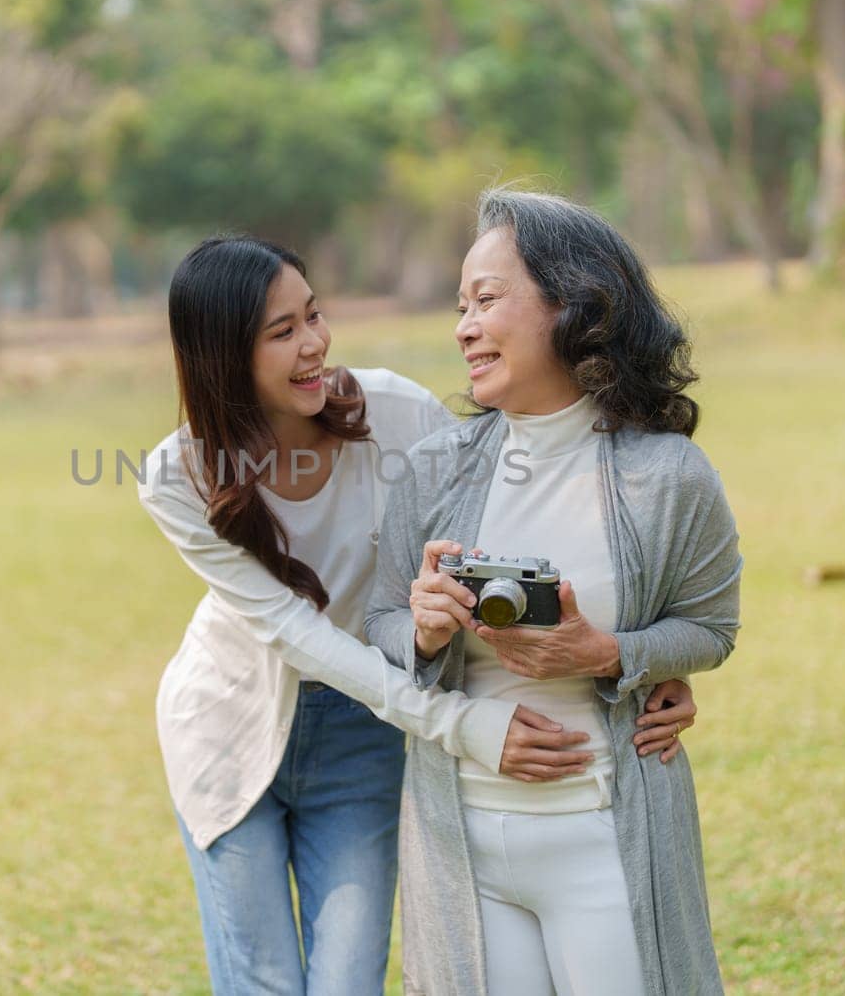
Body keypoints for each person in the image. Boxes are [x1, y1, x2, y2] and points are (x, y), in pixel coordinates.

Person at [137, 235, 700, 994]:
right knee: (261, 979)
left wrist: (638, 658)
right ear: (220, 356)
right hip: (229, 724)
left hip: (366, 726)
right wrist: (465, 725)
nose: (314, 345)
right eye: (282, 333)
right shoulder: (177, 475)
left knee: (346, 980)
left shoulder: (397, 413)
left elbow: (514, 523)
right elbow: (293, 632)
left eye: (314, 315)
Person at [365, 188, 742, 996]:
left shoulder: (669, 474)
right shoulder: (435, 466)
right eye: (460, 304)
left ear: (574, 304)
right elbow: (380, 623)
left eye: (488, 298)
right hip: (459, 839)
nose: (463, 325)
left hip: (605, 830)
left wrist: (613, 653)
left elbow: (711, 627)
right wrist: (424, 632)